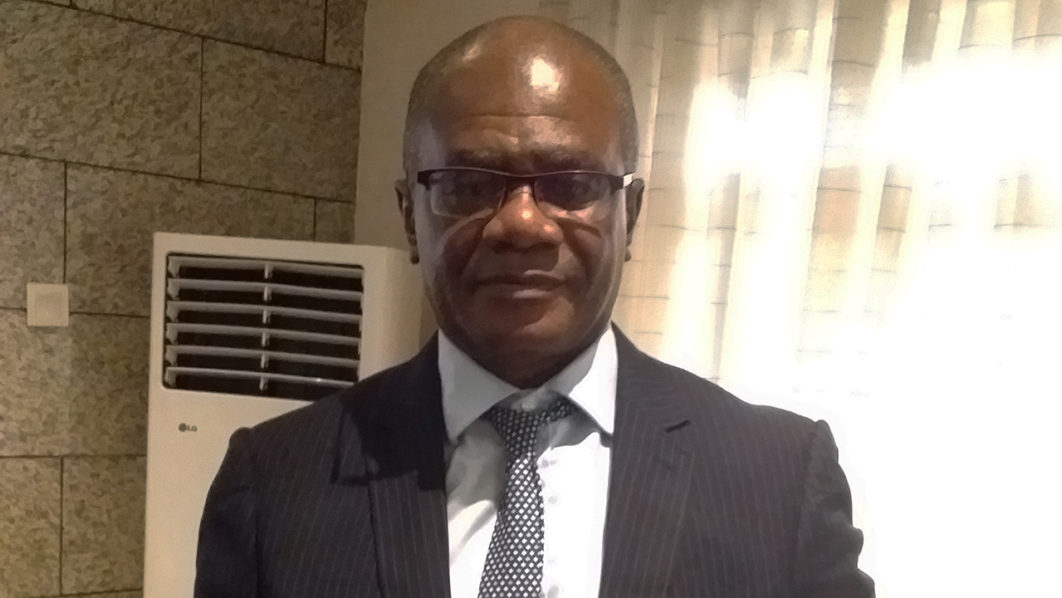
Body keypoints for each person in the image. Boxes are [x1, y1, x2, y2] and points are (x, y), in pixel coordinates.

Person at [195, 15, 874, 598]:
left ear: (630, 216)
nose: (522, 224)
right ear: (409, 217)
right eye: (467, 185)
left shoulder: (780, 477)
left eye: (571, 184)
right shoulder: (273, 483)